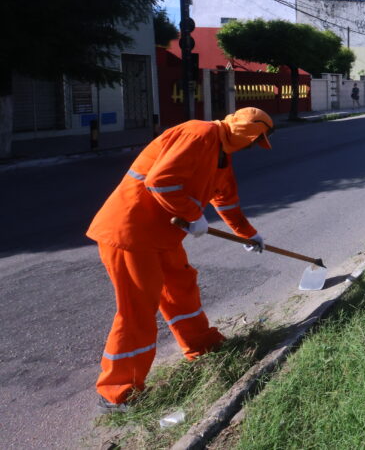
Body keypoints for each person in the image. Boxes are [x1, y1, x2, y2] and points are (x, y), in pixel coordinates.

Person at [86, 107, 273, 412]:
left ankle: (202, 345)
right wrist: (193, 214)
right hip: (130, 231)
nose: (253, 147)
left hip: (162, 235)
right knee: (138, 310)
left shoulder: (222, 156)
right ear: (248, 134)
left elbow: (227, 199)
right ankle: (116, 391)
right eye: (255, 141)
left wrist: (247, 233)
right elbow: (160, 181)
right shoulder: (199, 133)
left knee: (181, 288)